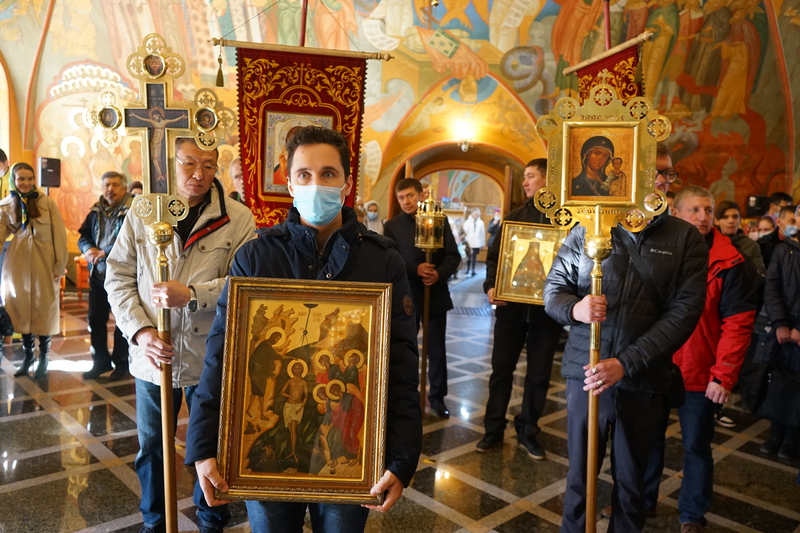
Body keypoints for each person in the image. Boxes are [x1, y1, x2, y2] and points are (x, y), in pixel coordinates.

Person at [184, 126, 422, 532]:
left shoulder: (383, 262)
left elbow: (400, 365)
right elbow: (221, 358)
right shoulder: (255, 258)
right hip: (266, 465)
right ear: (290, 184)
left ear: (347, 184)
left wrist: (401, 459)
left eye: (328, 174)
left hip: (353, 457)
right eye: (305, 175)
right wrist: (204, 446)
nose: (316, 185)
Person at [105, 137, 256, 533]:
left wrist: (192, 295)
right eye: (189, 163)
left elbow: (244, 285)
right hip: (153, 354)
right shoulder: (143, 211)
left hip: (210, 353)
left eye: (208, 165)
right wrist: (141, 332)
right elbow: (118, 276)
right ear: (171, 163)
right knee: (153, 446)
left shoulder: (238, 218)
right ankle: (155, 523)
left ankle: (212, 520)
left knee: (212, 447)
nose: (198, 175)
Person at [544, 176, 708, 532]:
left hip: (643, 376)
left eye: (665, 174)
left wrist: (626, 363)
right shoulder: (588, 227)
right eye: (650, 171)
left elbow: (685, 312)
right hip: (586, 371)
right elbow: (553, 290)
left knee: (632, 485)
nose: (658, 180)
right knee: (579, 478)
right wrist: (575, 309)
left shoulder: (685, 238)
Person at [644, 186, 756, 533]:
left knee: (696, 445)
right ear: (675, 213)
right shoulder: (656, 250)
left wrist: (723, 375)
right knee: (647, 439)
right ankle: (640, 503)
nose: (703, 217)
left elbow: (737, 325)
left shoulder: (731, 262)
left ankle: (692, 514)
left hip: (700, 368)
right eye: (694, 210)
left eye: (708, 210)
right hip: (655, 363)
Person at [477, 158, 563, 460]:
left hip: (546, 314)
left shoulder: (564, 221)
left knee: (539, 374)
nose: (525, 182)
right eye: (524, 177)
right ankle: (493, 428)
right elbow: (494, 259)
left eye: (530, 176)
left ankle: (528, 430)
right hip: (510, 311)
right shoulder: (513, 218)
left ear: (547, 180)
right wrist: (491, 286)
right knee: (501, 371)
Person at [384, 178, 460, 419]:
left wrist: (439, 273)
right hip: (406, 297)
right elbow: (391, 260)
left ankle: (437, 397)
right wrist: (414, 268)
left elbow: (453, 255)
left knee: (436, 349)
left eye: (410, 196)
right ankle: (405, 397)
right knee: (404, 350)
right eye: (401, 198)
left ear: (420, 195)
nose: (406, 201)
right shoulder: (392, 226)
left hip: (434, 295)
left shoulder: (438, 220)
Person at [2, 163, 68, 378]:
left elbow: (59, 235)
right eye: (21, 179)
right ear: (13, 180)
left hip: (44, 263)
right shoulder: (6, 205)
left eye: (30, 178)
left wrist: (59, 265)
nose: (26, 183)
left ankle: (44, 357)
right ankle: (28, 356)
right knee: (22, 311)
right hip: (17, 264)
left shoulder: (46, 202)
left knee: (45, 309)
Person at [78, 171, 134, 380]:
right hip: (99, 275)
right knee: (95, 319)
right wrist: (88, 249)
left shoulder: (133, 210)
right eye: (106, 185)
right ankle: (100, 362)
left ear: (124, 188)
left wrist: (105, 252)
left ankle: (122, 364)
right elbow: (83, 236)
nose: (110, 189)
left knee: (122, 321)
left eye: (115, 185)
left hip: (123, 277)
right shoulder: (96, 211)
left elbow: (132, 240)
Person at [759, 218, 800, 460]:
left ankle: (793, 436)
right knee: (780, 381)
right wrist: (781, 323)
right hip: (783, 329)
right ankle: (776, 433)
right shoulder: (784, 250)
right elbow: (772, 287)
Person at [463, 208, 486, 276]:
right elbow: (465, 232)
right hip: (469, 242)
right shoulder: (467, 222)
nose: (476, 215)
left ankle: (473, 270)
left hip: (477, 242)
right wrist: (464, 241)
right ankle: (468, 269)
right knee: (469, 256)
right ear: (472, 214)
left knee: (474, 256)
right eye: (475, 214)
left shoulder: (481, 222)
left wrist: (483, 243)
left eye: (477, 214)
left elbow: (482, 233)